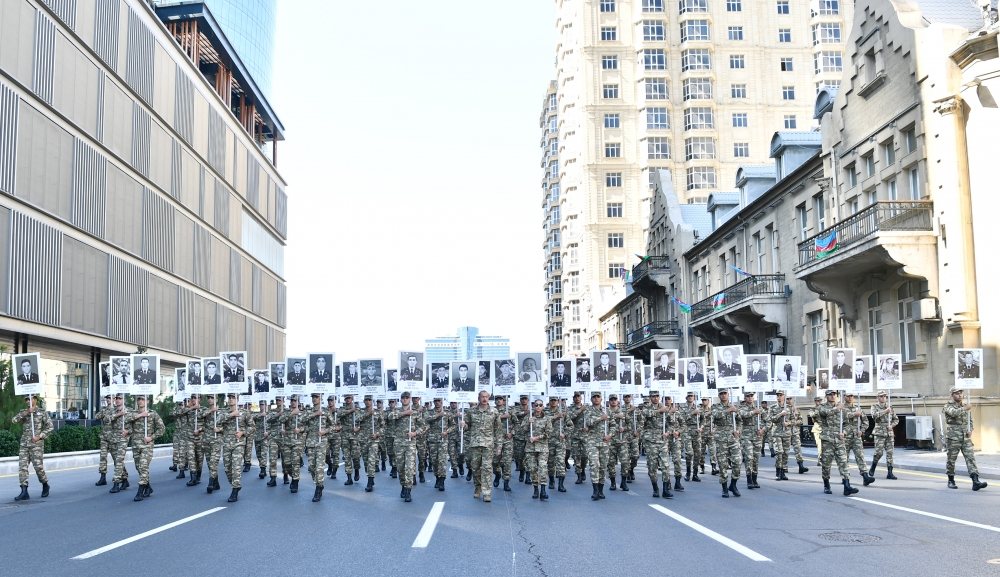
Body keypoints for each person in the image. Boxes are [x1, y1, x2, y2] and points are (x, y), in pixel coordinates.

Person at [943, 387, 988, 490]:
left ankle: (975, 481)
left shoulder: (965, 406)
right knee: (951, 459)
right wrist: (965, 408)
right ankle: (951, 480)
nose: (960, 395)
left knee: (970, 458)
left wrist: (970, 429)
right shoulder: (948, 406)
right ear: (952, 395)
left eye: (961, 393)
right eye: (957, 393)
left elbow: (969, 420)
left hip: (965, 437)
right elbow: (953, 413)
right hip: (953, 437)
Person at [461, 390, 502, 502]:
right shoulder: (471, 411)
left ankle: (487, 492)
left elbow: (498, 430)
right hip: (475, 444)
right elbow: (467, 427)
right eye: (482, 397)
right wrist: (463, 426)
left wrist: (499, 446)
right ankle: (478, 487)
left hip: (488, 444)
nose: (484, 399)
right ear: (478, 398)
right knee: (475, 468)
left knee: (487, 468)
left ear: (488, 398)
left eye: (486, 397)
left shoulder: (494, 412)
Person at [817, 390, 859, 496]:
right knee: (826, 465)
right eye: (830, 395)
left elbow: (847, 425)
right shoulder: (822, 407)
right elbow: (824, 413)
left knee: (843, 462)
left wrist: (844, 433)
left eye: (834, 394)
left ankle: (847, 486)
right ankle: (826, 484)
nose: (832, 396)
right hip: (828, 440)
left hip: (839, 440)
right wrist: (837, 408)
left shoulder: (842, 409)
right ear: (826, 396)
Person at [12, 395, 53, 501]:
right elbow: (14, 420)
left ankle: (45, 484)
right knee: (22, 467)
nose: (28, 401)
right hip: (24, 444)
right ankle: (24, 491)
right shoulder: (24, 412)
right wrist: (26, 413)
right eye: (26, 399)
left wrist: (40, 436)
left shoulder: (42, 412)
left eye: (30, 399)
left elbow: (50, 427)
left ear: (35, 400)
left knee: (38, 468)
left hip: (36, 445)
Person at [126, 395, 165, 502]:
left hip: (147, 444)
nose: (141, 401)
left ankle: (140, 491)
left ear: (147, 401)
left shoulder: (153, 414)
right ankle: (148, 487)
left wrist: (151, 437)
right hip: (135, 444)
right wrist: (140, 415)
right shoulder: (134, 413)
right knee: (138, 467)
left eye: (143, 399)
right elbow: (126, 420)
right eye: (139, 399)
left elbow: (162, 429)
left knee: (143, 466)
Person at [389, 391, 426, 502]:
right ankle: (403, 485)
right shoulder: (396, 411)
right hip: (399, 442)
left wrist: (415, 433)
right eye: (403, 398)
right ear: (400, 400)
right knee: (400, 467)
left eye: (407, 398)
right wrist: (405, 413)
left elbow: (423, 426)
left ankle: (409, 490)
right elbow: (390, 417)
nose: (405, 399)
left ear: (410, 399)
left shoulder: (415, 413)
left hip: (410, 443)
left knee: (409, 467)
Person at [642, 391, 678, 498]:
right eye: (653, 396)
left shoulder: (665, 409)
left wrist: (668, 432)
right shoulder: (647, 409)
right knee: (652, 467)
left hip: (662, 441)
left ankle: (665, 489)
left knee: (665, 466)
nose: (655, 398)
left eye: (657, 396)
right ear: (650, 398)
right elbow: (644, 416)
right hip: (650, 442)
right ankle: (655, 488)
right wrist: (658, 411)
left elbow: (672, 424)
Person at [217, 393, 250, 502]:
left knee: (236, 467)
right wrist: (231, 415)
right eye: (229, 398)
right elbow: (217, 422)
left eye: (233, 398)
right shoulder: (223, 412)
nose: (231, 399)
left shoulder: (244, 413)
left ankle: (235, 489)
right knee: (227, 469)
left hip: (239, 443)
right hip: (227, 443)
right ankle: (235, 484)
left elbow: (252, 427)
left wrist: (243, 433)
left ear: (238, 399)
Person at [300, 393, 331, 502]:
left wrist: (325, 431)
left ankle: (318, 488)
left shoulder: (326, 411)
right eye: (313, 397)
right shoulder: (309, 411)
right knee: (312, 467)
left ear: (320, 398)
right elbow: (301, 420)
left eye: (316, 397)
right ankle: (319, 483)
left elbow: (334, 426)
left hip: (321, 441)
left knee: (319, 466)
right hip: (311, 442)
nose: (314, 399)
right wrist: (314, 414)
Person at [711, 389, 742, 498]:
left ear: (728, 395)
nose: (723, 395)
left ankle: (733, 485)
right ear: (719, 395)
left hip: (733, 438)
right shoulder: (715, 406)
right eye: (721, 394)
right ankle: (724, 488)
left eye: (725, 393)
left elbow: (739, 421)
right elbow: (716, 415)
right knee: (722, 464)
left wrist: (738, 430)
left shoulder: (735, 407)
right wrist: (729, 410)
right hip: (721, 438)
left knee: (737, 462)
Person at [582, 391, 612, 500]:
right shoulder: (588, 410)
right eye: (594, 397)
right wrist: (600, 418)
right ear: (591, 399)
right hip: (592, 440)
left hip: (604, 441)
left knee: (603, 466)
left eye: (598, 397)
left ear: (601, 399)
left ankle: (601, 489)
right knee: (594, 464)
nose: (596, 399)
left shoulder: (607, 410)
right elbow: (588, 422)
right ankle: (595, 490)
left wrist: (610, 435)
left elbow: (613, 425)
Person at [520, 399, 552, 500]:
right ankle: (535, 489)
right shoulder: (528, 417)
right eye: (536, 405)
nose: (538, 407)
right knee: (532, 469)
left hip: (542, 447)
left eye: (540, 405)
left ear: (543, 407)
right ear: (533, 406)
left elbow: (549, 433)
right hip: (530, 448)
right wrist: (527, 423)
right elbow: (522, 431)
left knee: (542, 467)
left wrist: (537, 438)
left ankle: (543, 490)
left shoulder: (547, 418)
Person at [842, 393, 875, 486]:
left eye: (851, 396)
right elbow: (840, 418)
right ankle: (845, 477)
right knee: (844, 458)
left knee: (860, 456)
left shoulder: (858, 408)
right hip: (845, 436)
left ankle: (865, 476)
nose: (850, 398)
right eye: (848, 396)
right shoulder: (841, 408)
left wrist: (862, 430)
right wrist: (853, 414)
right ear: (844, 396)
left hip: (856, 436)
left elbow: (865, 421)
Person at [737, 392, 766, 489]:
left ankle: (754, 479)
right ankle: (749, 480)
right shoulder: (741, 408)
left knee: (756, 459)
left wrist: (763, 430)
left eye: (751, 396)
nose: (750, 398)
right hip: (746, 436)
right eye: (748, 396)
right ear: (745, 398)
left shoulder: (760, 409)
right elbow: (742, 415)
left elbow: (769, 421)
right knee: (749, 458)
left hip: (757, 436)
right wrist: (753, 412)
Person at [424, 397, 452, 492]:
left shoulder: (447, 412)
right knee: (434, 461)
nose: (437, 403)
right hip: (432, 440)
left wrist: (447, 431)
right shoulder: (430, 412)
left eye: (438, 401)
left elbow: (453, 425)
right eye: (435, 401)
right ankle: (437, 477)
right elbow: (426, 419)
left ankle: (442, 480)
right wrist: (438, 415)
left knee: (442, 461)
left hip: (443, 440)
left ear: (442, 402)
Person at [868, 391, 898, 480]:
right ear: (878, 398)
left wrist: (892, 425)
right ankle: (873, 465)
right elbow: (874, 416)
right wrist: (885, 411)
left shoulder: (890, 407)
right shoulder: (874, 407)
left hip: (889, 433)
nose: (883, 398)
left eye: (885, 396)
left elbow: (896, 419)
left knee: (890, 453)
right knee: (879, 453)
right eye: (881, 396)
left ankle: (890, 472)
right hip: (879, 432)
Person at [545, 396, 570, 493]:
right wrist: (555, 417)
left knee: (560, 462)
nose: (553, 402)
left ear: (558, 401)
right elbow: (543, 422)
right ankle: (551, 480)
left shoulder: (563, 412)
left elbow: (570, 426)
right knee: (550, 463)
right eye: (552, 400)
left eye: (555, 400)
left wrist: (565, 434)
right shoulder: (545, 412)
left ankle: (561, 484)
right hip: (549, 441)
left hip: (560, 441)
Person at [337, 394, 362, 485]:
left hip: (355, 436)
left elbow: (361, 419)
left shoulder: (358, 408)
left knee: (356, 457)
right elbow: (339, 415)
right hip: (345, 436)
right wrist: (351, 410)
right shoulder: (342, 408)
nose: (347, 400)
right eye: (346, 398)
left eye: (349, 398)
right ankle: (349, 477)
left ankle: (356, 470)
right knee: (347, 458)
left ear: (352, 399)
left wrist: (358, 428)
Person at [606, 395, 628, 491]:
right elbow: (603, 421)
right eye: (611, 400)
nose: (613, 401)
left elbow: (631, 424)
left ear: (618, 401)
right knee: (611, 463)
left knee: (625, 462)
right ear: (609, 401)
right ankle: (613, 482)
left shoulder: (623, 412)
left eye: (615, 399)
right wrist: (615, 416)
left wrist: (624, 428)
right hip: (610, 441)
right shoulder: (605, 411)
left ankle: (623, 482)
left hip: (622, 440)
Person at [768, 392, 792, 480]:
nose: (779, 397)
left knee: (786, 453)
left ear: (784, 396)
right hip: (777, 433)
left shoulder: (789, 408)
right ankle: (778, 471)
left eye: (780, 395)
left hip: (786, 433)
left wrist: (788, 423)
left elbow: (795, 420)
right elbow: (770, 419)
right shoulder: (772, 407)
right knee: (779, 452)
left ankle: (783, 471)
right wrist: (781, 414)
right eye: (777, 395)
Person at [680, 392, 702, 483]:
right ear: (686, 397)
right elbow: (681, 419)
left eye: (692, 396)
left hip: (696, 431)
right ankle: (688, 472)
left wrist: (701, 427)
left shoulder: (699, 407)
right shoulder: (682, 408)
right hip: (687, 430)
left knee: (698, 454)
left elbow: (704, 420)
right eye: (689, 396)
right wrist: (692, 413)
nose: (690, 397)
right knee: (689, 453)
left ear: (694, 397)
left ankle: (695, 474)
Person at [263, 396, 285, 487]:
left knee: (285, 459)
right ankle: (273, 477)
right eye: (277, 400)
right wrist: (278, 414)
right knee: (272, 458)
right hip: (274, 437)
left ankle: (286, 475)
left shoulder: (288, 411)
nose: (278, 401)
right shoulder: (273, 411)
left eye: (280, 400)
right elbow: (268, 419)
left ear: (283, 400)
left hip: (284, 437)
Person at [493, 396, 514, 492]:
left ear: (503, 401)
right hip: (495, 439)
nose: (498, 401)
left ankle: (506, 482)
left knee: (507, 462)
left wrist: (512, 433)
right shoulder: (491, 410)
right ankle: (497, 474)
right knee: (494, 461)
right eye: (497, 399)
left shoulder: (509, 410)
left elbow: (517, 424)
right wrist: (501, 417)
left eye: (500, 399)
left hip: (507, 439)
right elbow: (487, 422)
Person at [94, 395, 115, 486]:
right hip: (104, 437)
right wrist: (105, 412)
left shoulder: (118, 410)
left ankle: (123, 476)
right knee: (103, 457)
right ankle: (103, 477)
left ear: (114, 399)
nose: (108, 400)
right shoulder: (104, 410)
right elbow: (97, 417)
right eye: (107, 398)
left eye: (110, 398)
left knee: (117, 458)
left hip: (114, 437)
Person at [569, 392, 588, 483]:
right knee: (576, 456)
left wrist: (588, 427)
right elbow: (569, 418)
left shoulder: (588, 408)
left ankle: (583, 469)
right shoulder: (570, 408)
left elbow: (592, 419)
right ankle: (579, 475)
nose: (577, 398)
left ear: (581, 397)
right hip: (574, 435)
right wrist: (580, 410)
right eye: (575, 396)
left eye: (578, 396)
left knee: (585, 455)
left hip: (585, 435)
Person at [787, 396, 808, 474]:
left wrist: (796, 422)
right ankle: (784, 466)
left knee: (798, 449)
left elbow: (801, 420)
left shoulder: (796, 410)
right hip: (786, 432)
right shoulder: (783, 410)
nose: (789, 401)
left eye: (790, 399)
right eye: (787, 399)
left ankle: (801, 466)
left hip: (795, 431)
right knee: (785, 450)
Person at [324, 395, 343, 479]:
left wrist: (340, 427)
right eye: (329, 400)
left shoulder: (339, 411)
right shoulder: (324, 411)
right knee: (325, 454)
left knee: (335, 454)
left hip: (336, 436)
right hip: (327, 435)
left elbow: (345, 422)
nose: (330, 402)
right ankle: (329, 464)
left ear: (334, 401)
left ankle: (334, 471)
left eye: (331, 400)